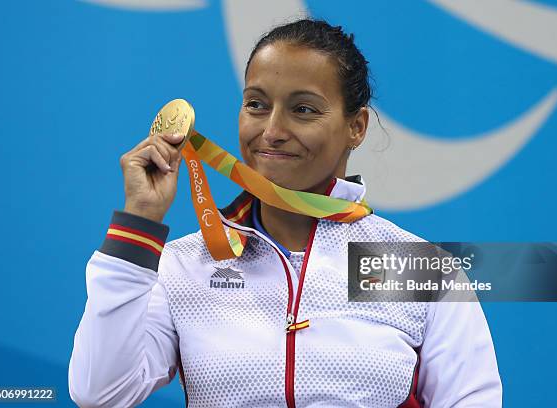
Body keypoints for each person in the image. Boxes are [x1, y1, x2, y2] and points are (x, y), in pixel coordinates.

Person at [69, 19, 502, 407]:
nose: (272, 131)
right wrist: (140, 222)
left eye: (304, 110)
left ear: (357, 127)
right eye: (256, 104)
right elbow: (101, 392)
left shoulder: (415, 268)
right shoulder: (187, 264)